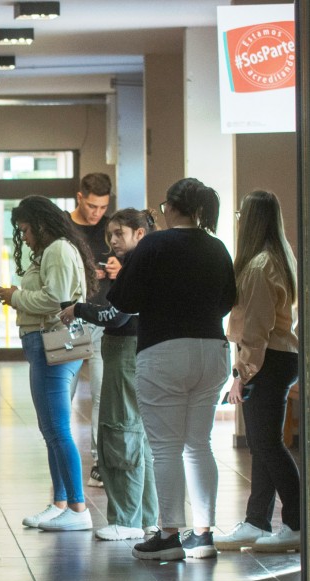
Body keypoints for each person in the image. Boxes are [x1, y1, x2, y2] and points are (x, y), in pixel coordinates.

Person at [108, 178, 236, 561]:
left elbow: (125, 300)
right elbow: (228, 299)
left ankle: (168, 535)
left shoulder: (154, 245)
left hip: (164, 350)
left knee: (165, 449)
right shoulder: (216, 246)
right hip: (213, 350)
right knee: (199, 444)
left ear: (170, 207)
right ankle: (204, 534)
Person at [0, 196, 97, 532]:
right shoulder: (60, 249)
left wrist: (15, 297)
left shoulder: (57, 250)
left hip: (53, 341)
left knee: (56, 428)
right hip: (50, 340)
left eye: (24, 229)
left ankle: (78, 508)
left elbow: (55, 298)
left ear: (39, 224)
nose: (23, 237)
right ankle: (61, 503)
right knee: (51, 429)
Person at [59, 208, 158, 541]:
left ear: (139, 234)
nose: (113, 240)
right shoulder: (141, 263)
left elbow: (116, 316)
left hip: (126, 351)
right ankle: (145, 517)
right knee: (135, 435)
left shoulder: (137, 267)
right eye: (110, 234)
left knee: (121, 432)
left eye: (120, 233)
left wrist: (78, 309)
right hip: (133, 350)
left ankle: (127, 519)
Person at [215, 190, 301, 553]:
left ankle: (296, 523)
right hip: (278, 358)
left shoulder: (259, 265)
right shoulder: (278, 258)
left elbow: (255, 328)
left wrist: (241, 373)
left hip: (268, 360)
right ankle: (256, 521)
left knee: (267, 443)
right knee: (262, 443)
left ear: (249, 220)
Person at [69, 173, 114, 488]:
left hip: (102, 317)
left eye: (103, 207)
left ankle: (100, 462)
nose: (97, 213)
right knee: (63, 391)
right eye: (92, 206)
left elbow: (126, 257)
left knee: (102, 393)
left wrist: (118, 267)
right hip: (69, 317)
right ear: (79, 197)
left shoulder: (112, 227)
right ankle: (64, 460)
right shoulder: (62, 226)